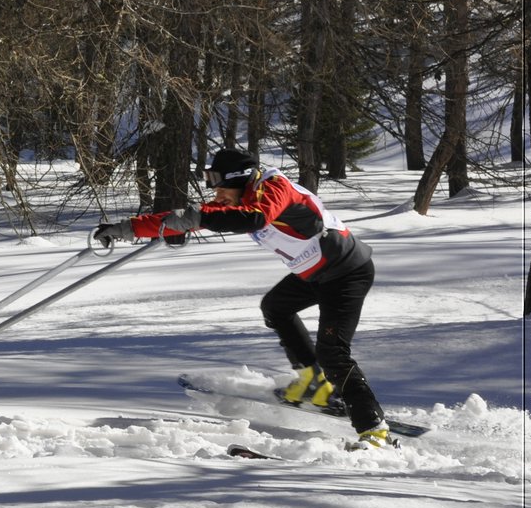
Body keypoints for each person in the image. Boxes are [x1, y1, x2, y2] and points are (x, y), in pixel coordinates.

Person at [94, 147, 391, 448]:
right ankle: (314, 384)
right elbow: (198, 216)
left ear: (240, 180)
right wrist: (128, 228)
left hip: (346, 273)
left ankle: (375, 431)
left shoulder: (275, 189)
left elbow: (254, 219)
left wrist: (199, 218)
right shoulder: (244, 196)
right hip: (313, 274)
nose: (217, 195)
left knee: (333, 353)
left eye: (221, 188)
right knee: (275, 307)